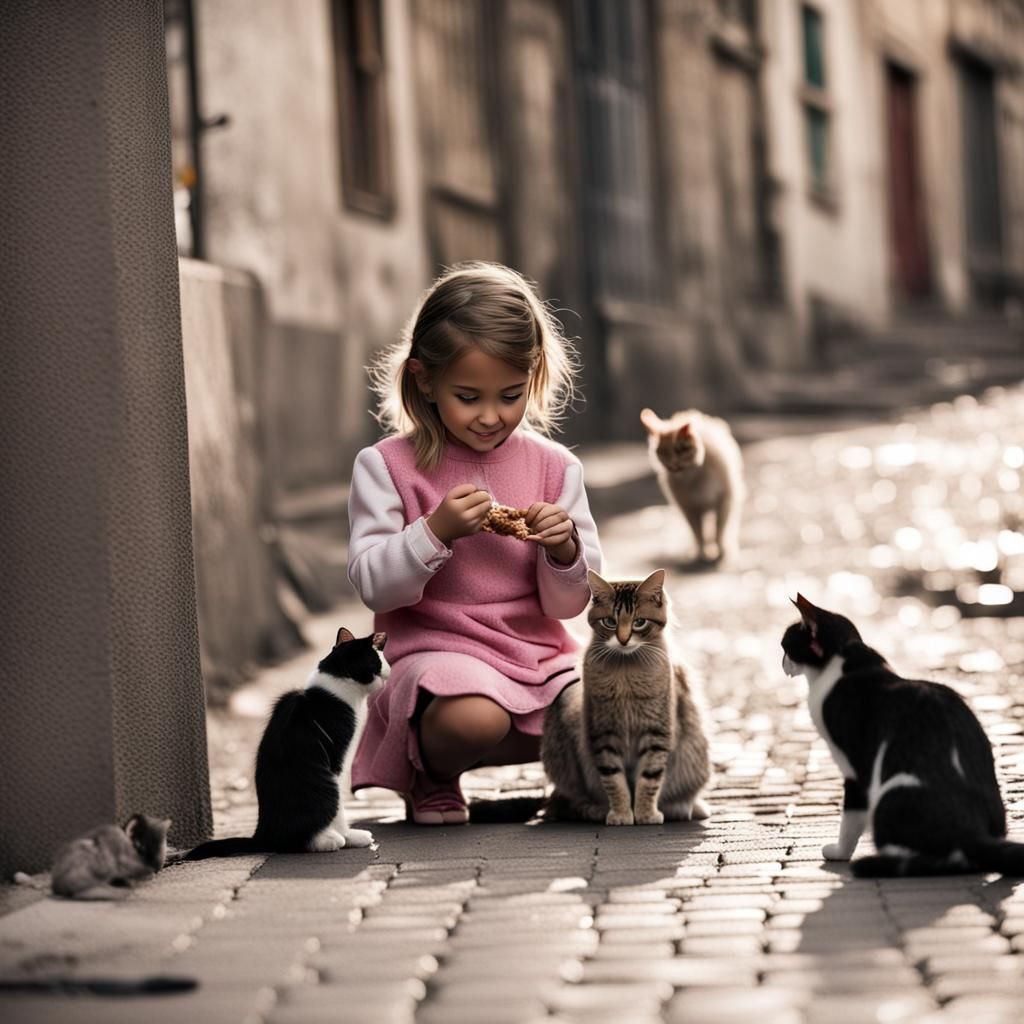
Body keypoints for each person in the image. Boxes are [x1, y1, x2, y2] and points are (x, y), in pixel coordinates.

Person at [347, 261, 603, 824]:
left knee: (607, 711)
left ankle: (574, 776)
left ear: (534, 377)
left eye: (510, 395)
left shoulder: (555, 467)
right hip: (437, 656)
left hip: (539, 656)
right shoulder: (387, 466)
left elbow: (570, 606)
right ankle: (430, 771)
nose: (491, 417)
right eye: (468, 396)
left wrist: (564, 552)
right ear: (424, 379)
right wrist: (433, 533)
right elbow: (372, 585)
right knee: (477, 721)